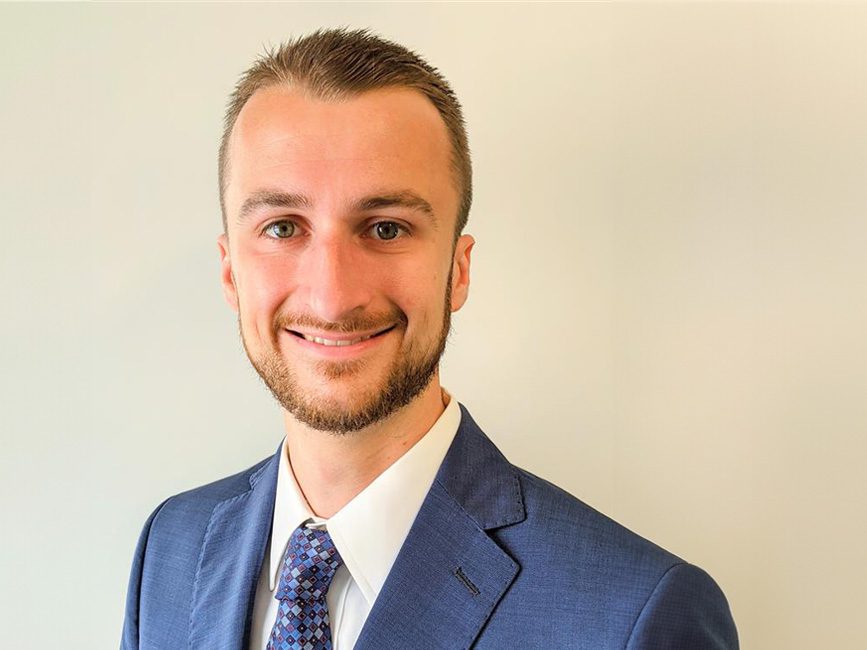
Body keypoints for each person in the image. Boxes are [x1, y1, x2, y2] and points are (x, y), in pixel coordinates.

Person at [121, 28, 738, 650]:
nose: (332, 297)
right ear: (230, 270)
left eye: (386, 228)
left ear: (458, 269)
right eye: (282, 227)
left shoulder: (634, 615)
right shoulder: (170, 550)